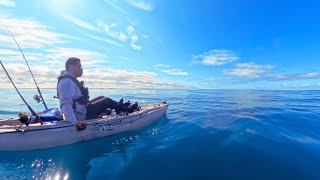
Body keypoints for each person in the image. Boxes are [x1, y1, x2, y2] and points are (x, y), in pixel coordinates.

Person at [57, 57, 138, 131]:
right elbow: (65, 104)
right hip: (81, 115)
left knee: (102, 97)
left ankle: (119, 107)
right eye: (79, 66)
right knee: (107, 101)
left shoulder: (69, 80)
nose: (81, 69)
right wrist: (75, 122)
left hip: (81, 110)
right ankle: (126, 109)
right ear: (71, 67)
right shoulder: (66, 82)